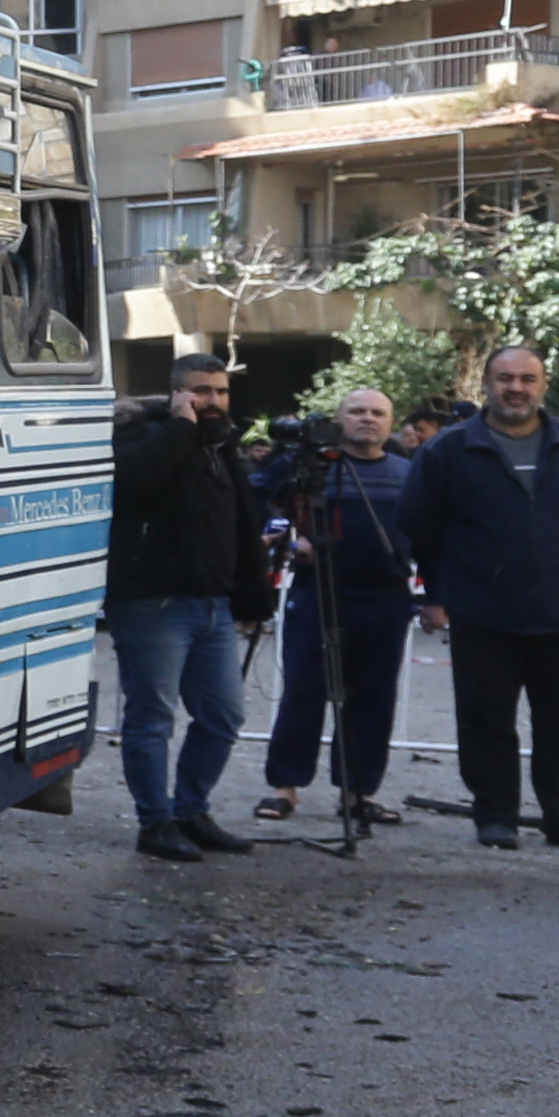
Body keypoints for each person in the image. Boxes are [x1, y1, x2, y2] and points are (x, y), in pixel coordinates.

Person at [401, 344, 559, 849]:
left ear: (544, 385)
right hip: (482, 611)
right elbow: (421, 524)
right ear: (486, 384)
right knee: (486, 720)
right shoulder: (448, 449)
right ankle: (496, 815)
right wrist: (443, 591)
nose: (516, 389)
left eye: (527, 379)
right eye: (505, 378)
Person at [104, 349, 270, 863]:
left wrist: (251, 596)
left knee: (223, 716)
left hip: (214, 605)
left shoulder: (222, 446)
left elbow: (243, 523)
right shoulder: (141, 431)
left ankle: (192, 811)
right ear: (177, 392)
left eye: (221, 391)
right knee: (152, 718)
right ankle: (155, 822)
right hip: (153, 603)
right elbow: (135, 480)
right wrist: (178, 426)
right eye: (202, 391)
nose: (213, 401)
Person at [247, 387, 418, 826]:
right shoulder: (306, 467)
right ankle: (284, 788)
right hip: (317, 590)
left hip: (385, 596)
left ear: (390, 421)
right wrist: (285, 534)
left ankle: (358, 793)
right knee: (304, 691)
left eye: (377, 412)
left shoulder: (409, 472)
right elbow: (256, 501)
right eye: (356, 411)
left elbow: (434, 530)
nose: (367, 419)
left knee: (374, 699)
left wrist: (437, 596)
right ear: (339, 419)